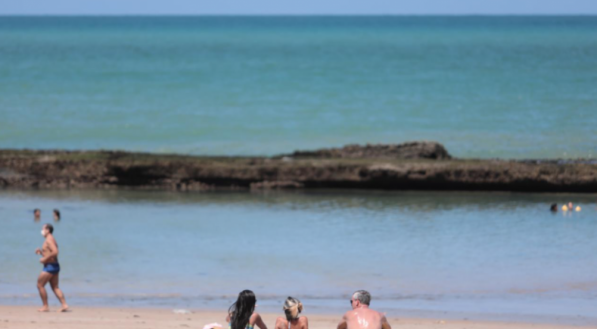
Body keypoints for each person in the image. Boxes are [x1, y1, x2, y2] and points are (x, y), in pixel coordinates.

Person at [35, 223, 69, 312]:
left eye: (43, 229)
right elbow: (51, 253)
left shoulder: (49, 240)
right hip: (54, 265)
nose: (41, 231)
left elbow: (55, 252)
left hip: (50, 267)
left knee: (40, 285)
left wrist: (44, 259)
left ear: (48, 230)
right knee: (55, 287)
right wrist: (41, 253)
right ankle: (64, 305)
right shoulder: (51, 239)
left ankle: (45, 306)